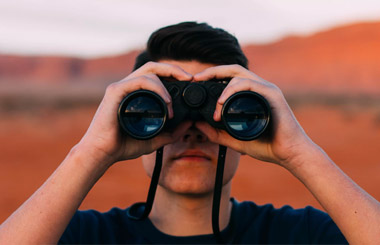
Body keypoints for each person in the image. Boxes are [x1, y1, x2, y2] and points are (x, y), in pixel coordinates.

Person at [0, 21, 379, 244]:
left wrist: (300, 152)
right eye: (161, 110)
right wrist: (91, 151)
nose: (193, 130)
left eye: (225, 112)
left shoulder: (301, 235)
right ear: (121, 120)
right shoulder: (83, 236)